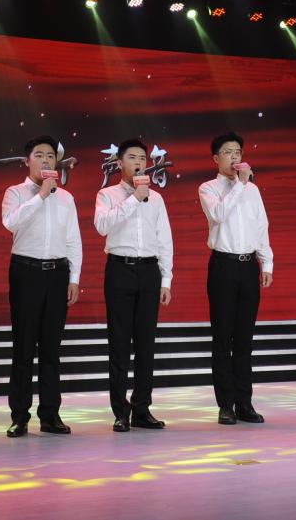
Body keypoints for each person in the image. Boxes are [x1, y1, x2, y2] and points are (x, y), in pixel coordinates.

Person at [2, 136, 83, 437]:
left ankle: (50, 415)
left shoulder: (66, 198)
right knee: (23, 347)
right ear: (27, 161)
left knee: (51, 349)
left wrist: (74, 278)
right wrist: (41, 196)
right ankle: (19, 416)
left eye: (51, 155)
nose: (46, 160)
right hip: (26, 271)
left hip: (57, 273)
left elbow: (73, 240)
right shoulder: (15, 193)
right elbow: (11, 222)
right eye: (39, 155)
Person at [94, 139, 173, 432]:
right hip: (120, 270)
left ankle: (142, 408)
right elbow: (102, 226)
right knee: (119, 343)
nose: (139, 162)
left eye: (142, 158)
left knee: (145, 343)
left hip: (149, 271)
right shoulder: (107, 194)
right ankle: (120, 411)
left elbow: (164, 239)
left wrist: (166, 279)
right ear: (120, 163)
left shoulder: (157, 199)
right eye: (132, 157)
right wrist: (133, 199)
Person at [199, 132, 273, 425]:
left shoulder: (252, 191)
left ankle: (245, 403)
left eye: (238, 152)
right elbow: (218, 214)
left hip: (248, 266)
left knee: (244, 339)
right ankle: (225, 405)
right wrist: (241, 185)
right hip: (223, 266)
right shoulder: (208, 188)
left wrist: (266, 262)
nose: (234, 157)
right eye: (228, 152)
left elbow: (261, 226)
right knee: (223, 338)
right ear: (216, 158)